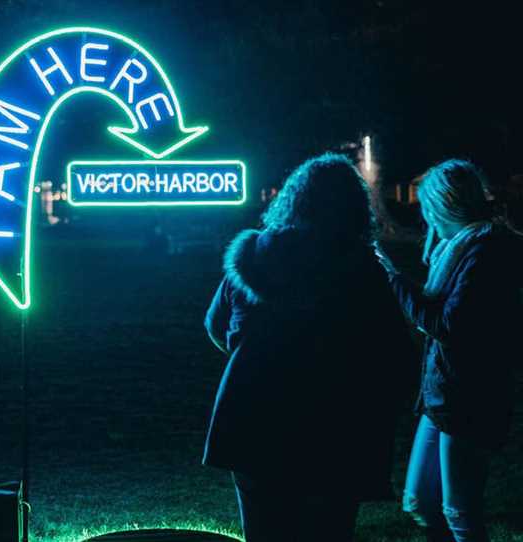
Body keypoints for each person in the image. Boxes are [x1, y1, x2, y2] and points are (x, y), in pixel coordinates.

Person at [203, 153, 415, 542]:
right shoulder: (360, 267)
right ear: (353, 207)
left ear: (293, 199)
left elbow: (216, 326)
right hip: (334, 423)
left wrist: (252, 357)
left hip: (254, 417)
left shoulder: (253, 257)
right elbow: (393, 350)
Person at [376, 160, 523, 542]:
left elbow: (447, 325)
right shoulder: (460, 248)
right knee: (420, 501)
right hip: (443, 393)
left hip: (470, 393)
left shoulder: (485, 251)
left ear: (443, 204)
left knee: (459, 510)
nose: (425, 217)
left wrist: (393, 279)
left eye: (427, 207)